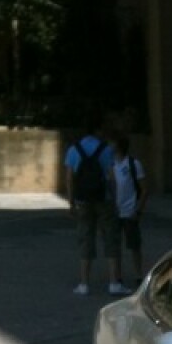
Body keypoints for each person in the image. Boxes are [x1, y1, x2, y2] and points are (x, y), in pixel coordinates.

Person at [64, 119, 124, 297]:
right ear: (98, 131)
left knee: (85, 238)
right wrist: (115, 199)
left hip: (83, 200)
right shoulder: (106, 149)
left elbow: (69, 178)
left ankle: (84, 283)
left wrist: (71, 201)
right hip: (103, 199)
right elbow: (112, 177)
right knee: (110, 239)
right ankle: (114, 282)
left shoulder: (74, 149)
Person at [110, 133, 148, 284]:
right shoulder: (110, 164)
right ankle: (117, 276)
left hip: (129, 211)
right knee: (114, 246)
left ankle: (138, 275)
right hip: (113, 212)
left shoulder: (133, 164)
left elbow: (144, 189)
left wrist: (138, 210)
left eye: (112, 143)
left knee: (134, 245)